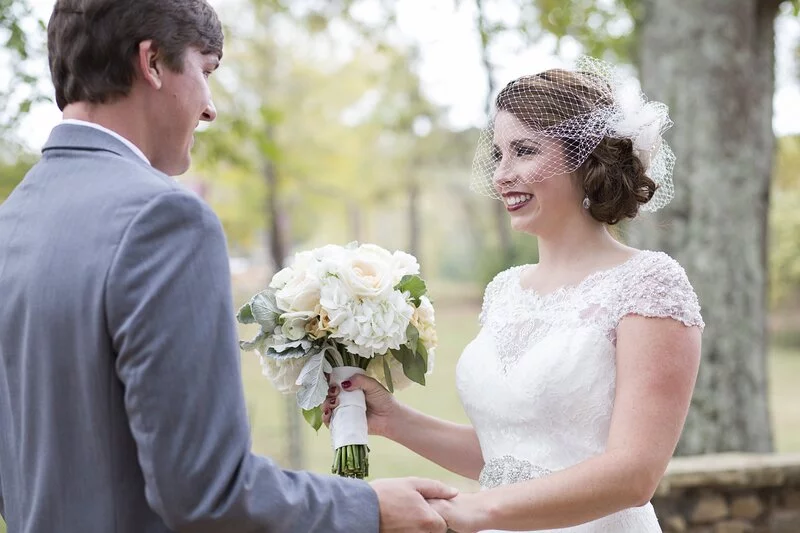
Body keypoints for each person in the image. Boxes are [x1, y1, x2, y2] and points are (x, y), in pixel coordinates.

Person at [0, 1, 456, 532]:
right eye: (206, 70)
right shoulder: (164, 219)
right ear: (151, 63)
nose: (210, 107)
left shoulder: (13, 221)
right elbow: (207, 490)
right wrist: (369, 509)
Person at [324, 57, 704, 532]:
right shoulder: (505, 289)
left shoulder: (649, 284)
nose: (502, 174)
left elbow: (634, 473)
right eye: (499, 155)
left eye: (524, 150)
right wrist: (394, 420)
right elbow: (510, 451)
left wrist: (477, 509)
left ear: (585, 160)